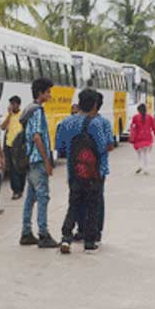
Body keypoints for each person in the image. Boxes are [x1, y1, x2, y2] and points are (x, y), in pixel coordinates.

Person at [56, 89, 115, 254]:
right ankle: (90, 240)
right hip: (95, 172)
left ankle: (66, 237)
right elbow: (103, 147)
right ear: (95, 104)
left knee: (74, 204)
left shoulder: (66, 122)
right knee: (93, 205)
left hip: (74, 171)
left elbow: (60, 147)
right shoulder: (97, 123)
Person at [19, 77, 58, 249]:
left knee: (30, 197)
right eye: (48, 92)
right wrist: (47, 160)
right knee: (43, 196)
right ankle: (43, 233)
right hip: (38, 160)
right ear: (40, 93)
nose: (49, 95)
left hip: (30, 159)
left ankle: (26, 232)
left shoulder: (28, 109)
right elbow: (36, 136)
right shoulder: (37, 111)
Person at [1, 96, 25, 200]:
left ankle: (21, 188)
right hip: (9, 145)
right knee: (12, 169)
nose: (11, 106)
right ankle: (16, 191)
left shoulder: (23, 115)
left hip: (19, 146)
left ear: (18, 104)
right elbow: (2, 127)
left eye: (13, 104)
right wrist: (9, 115)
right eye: (10, 104)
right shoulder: (9, 116)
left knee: (20, 168)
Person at [129, 103, 155, 175]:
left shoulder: (135, 117)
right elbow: (154, 127)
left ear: (138, 110)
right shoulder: (150, 117)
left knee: (139, 154)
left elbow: (132, 127)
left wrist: (131, 136)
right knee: (146, 154)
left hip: (138, 138)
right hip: (147, 137)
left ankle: (140, 166)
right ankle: (146, 169)